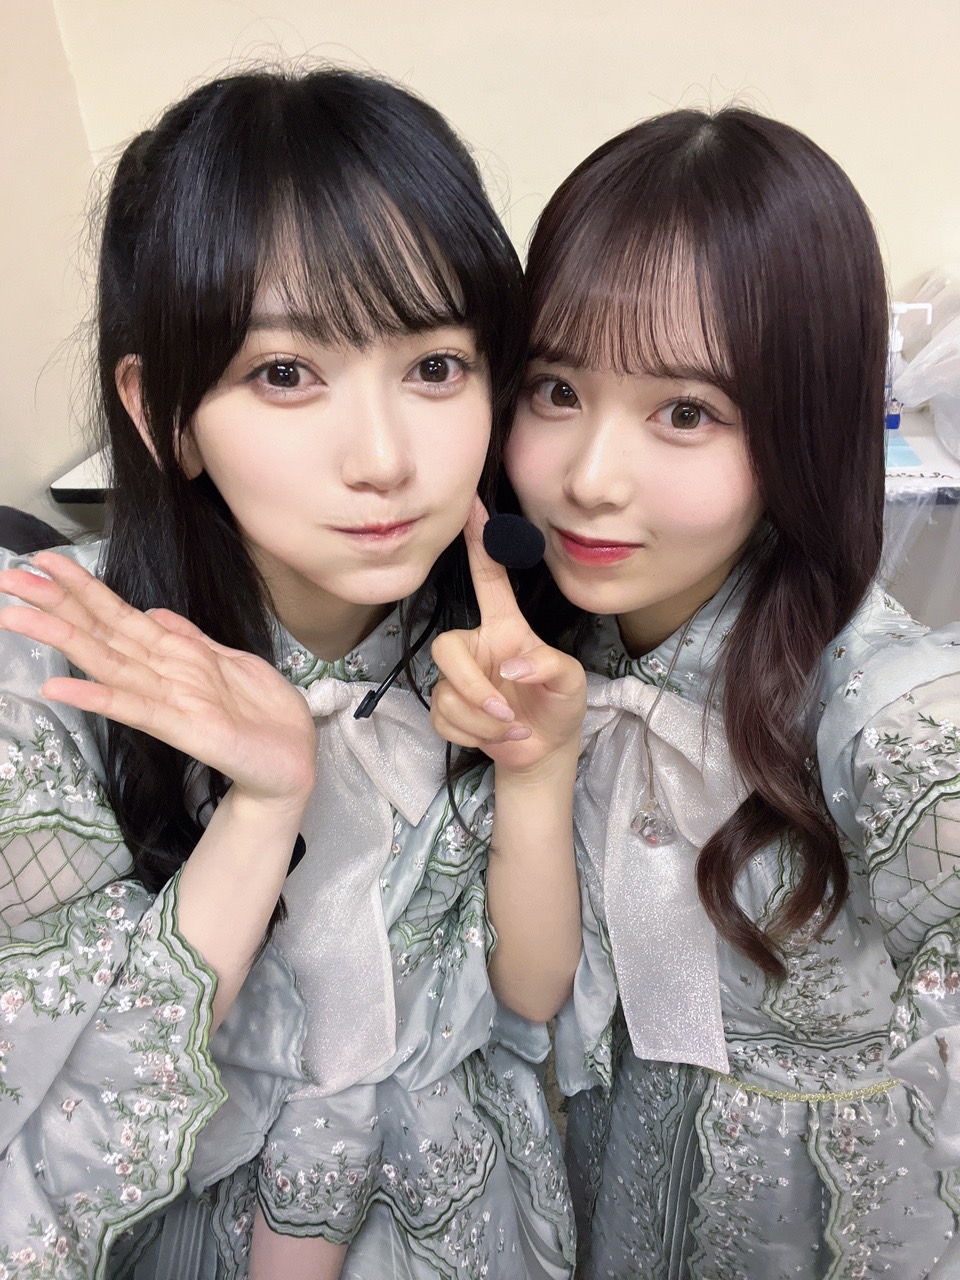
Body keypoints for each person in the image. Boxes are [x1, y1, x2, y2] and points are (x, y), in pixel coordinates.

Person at [0, 67, 574, 1279]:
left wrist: (537, 765)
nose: (384, 458)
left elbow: (529, 1001)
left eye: (435, 366)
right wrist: (261, 809)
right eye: (284, 373)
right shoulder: (47, 659)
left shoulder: (499, 633)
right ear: (162, 415)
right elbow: (46, 1178)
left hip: (462, 1209)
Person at [436, 107, 960, 1278]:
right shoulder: (550, 650)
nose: (589, 478)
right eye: (556, 389)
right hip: (609, 1195)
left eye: (686, 411)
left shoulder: (896, 719)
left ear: (803, 425)